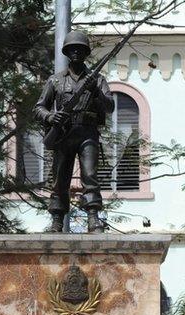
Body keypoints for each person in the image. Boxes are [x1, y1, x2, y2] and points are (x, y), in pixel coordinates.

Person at [34, 30, 115, 234]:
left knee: (90, 174)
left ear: (86, 53)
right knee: (60, 177)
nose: (76, 52)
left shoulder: (97, 80)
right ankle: (57, 219)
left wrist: (96, 92)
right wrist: (51, 117)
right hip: (64, 133)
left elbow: (110, 107)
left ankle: (93, 217)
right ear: (67, 52)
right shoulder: (56, 81)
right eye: (72, 49)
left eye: (80, 49)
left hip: (88, 133)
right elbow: (39, 107)